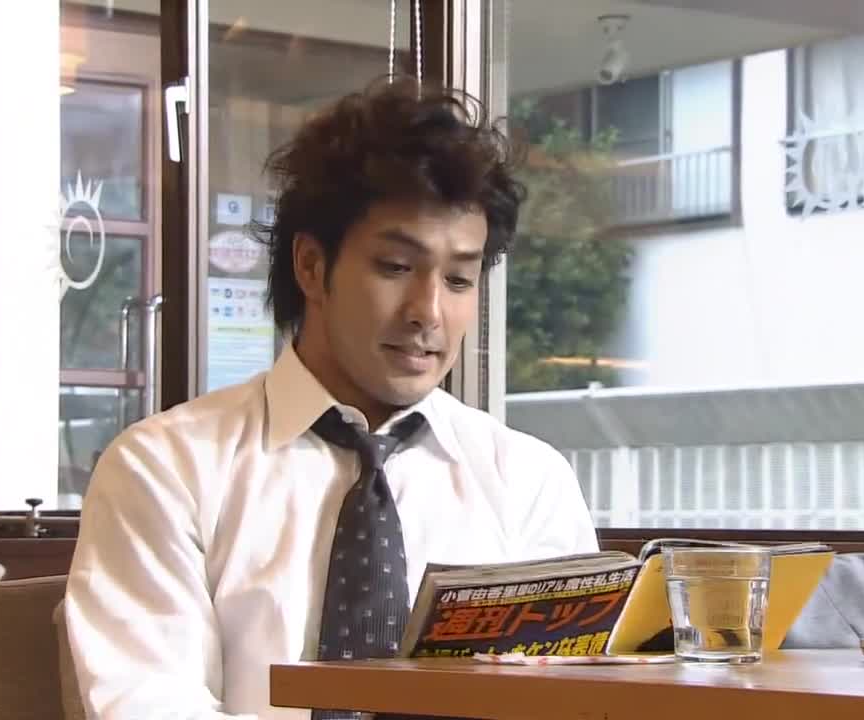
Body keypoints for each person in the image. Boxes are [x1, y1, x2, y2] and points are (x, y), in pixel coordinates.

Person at [63, 77, 598, 720]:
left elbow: (569, 699)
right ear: (312, 267)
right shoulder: (166, 468)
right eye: (396, 267)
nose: (428, 312)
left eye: (459, 278)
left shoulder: (527, 481)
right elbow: (149, 705)